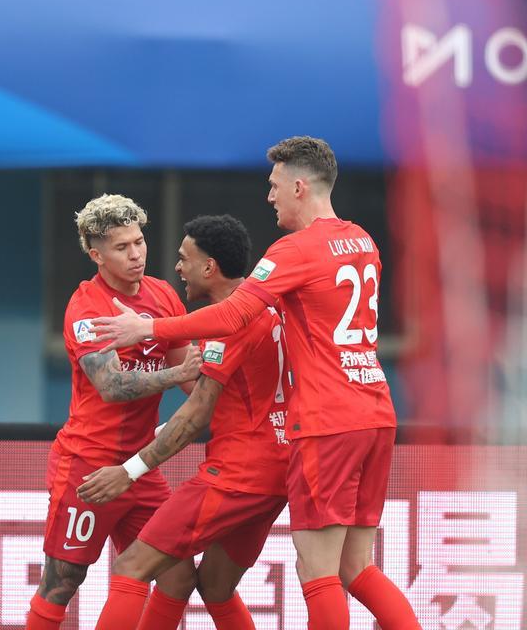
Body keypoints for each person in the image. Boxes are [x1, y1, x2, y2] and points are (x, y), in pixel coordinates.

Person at [92, 137, 423, 630]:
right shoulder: (363, 241)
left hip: (323, 425)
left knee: (317, 571)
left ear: (298, 186)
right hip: (375, 410)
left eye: (274, 186)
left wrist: (148, 328)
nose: (269, 197)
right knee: (354, 567)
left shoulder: (294, 251)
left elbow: (233, 316)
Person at [78, 214, 290, 630]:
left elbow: (196, 415)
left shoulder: (228, 324)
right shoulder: (272, 306)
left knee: (131, 566)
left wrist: (128, 470)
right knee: (215, 586)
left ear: (209, 268)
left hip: (238, 475)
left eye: (184, 258)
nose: (176, 267)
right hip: (281, 471)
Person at [25, 193, 202, 630]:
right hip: (87, 466)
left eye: (139, 241)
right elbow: (112, 387)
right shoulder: (86, 308)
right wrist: (178, 372)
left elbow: (192, 380)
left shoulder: (163, 295)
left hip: (140, 468)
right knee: (62, 582)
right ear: (96, 255)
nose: (136, 254)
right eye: (122, 247)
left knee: (179, 576)